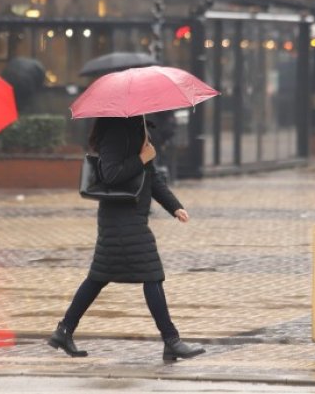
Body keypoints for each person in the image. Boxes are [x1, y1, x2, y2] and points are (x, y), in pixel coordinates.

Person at [48, 116, 205, 362]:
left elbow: (151, 177)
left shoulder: (138, 129)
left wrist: (174, 206)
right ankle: (171, 340)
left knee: (98, 278)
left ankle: (63, 331)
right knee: (151, 274)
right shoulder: (115, 131)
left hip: (131, 217)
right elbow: (110, 174)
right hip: (120, 219)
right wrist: (142, 158)